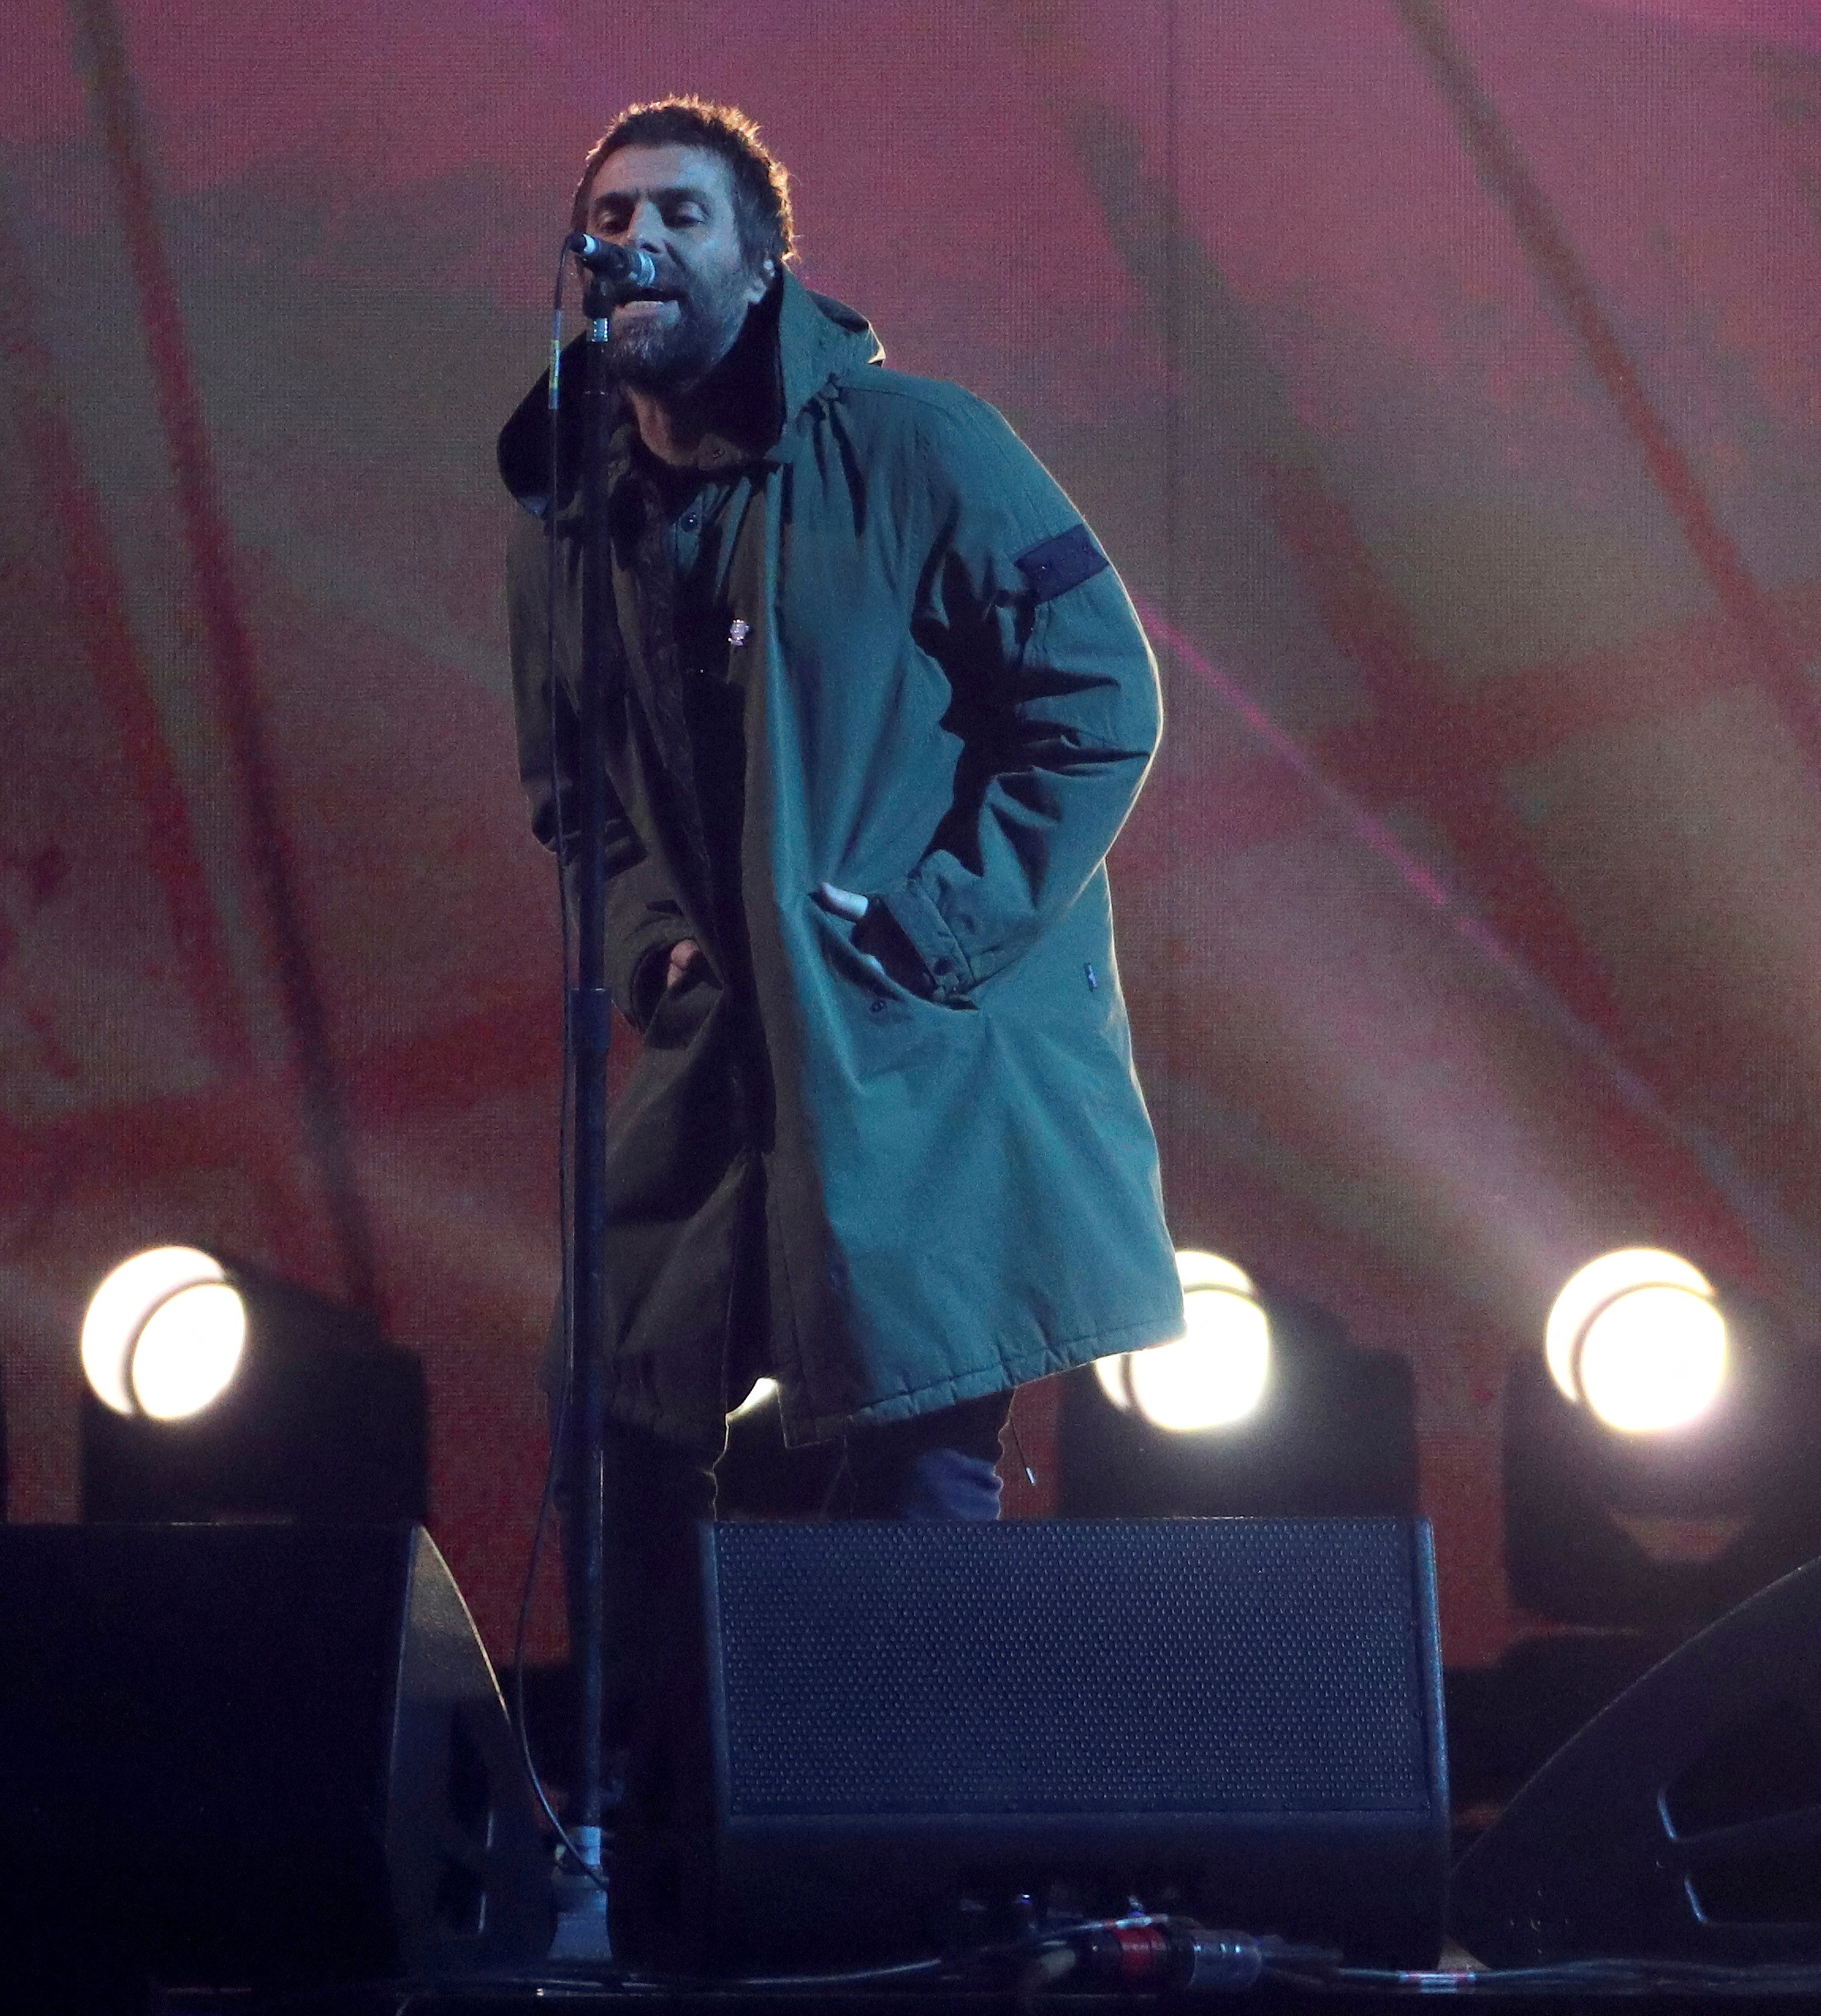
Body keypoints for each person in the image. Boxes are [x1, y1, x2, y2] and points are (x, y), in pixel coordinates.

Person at [497, 96, 1182, 1924]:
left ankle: (904, 1853)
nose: (632, 239)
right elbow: (574, 787)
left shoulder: (919, 445)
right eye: (607, 212)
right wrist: (653, 941)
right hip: (729, 1051)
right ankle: (666, 1832)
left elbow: (1101, 697)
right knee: (622, 1402)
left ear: (760, 260)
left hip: (919, 1046)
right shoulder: (569, 504)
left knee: (909, 1435)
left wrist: (931, 922)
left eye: (676, 214)